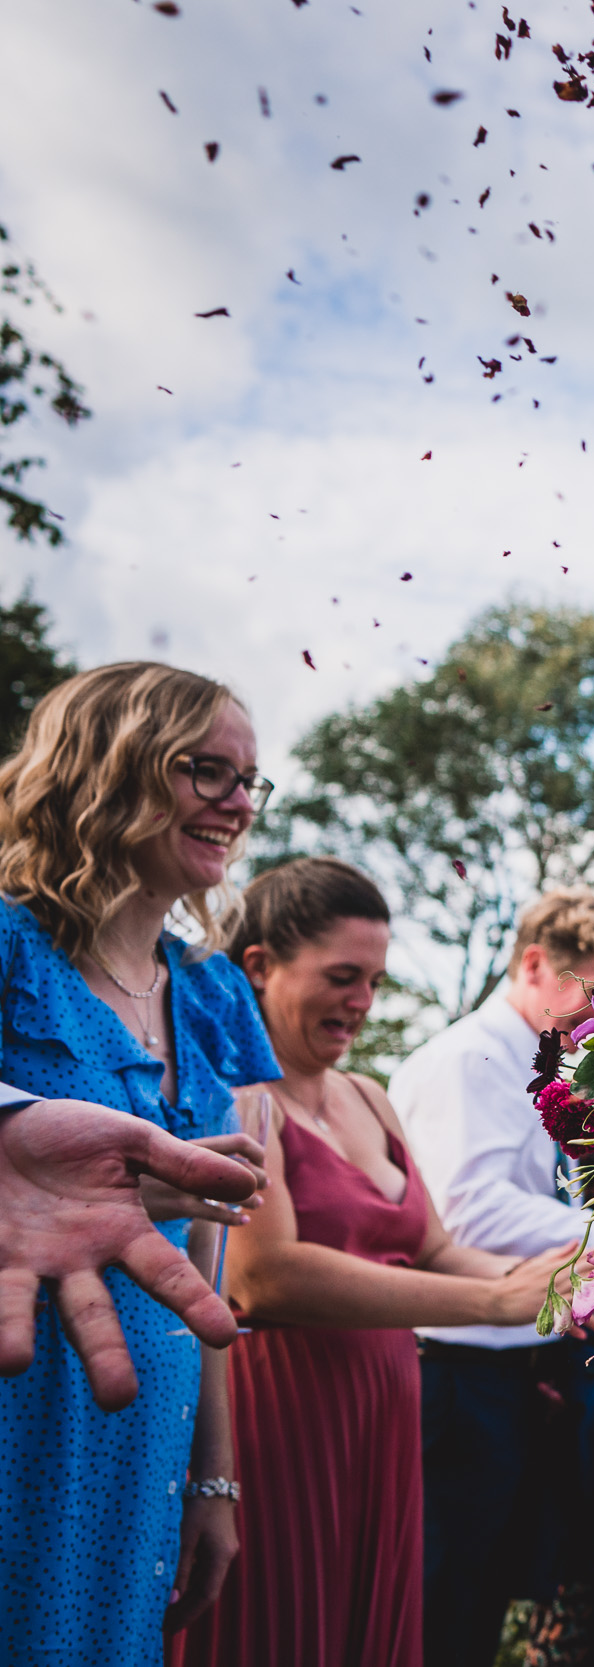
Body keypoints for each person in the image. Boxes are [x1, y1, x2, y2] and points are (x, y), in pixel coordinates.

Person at [184, 857, 578, 1667]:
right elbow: (268, 1275)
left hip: (385, 1417)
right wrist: (499, 1303)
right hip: (286, 1416)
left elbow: (433, 1243)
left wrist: (566, 1279)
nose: (361, 1002)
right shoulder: (237, 1097)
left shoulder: (367, 1095)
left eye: (373, 980)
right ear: (260, 966)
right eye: (340, 977)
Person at [0, 662, 287, 1665]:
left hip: (149, 1414)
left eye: (252, 780)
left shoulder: (212, 994)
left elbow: (207, 1255)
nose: (240, 803)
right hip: (19, 1390)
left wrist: (214, 1475)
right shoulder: (6, 945)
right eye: (207, 770)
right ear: (106, 768)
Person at [391, 888, 594, 1667]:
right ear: (536, 962)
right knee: (445, 1604)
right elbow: (468, 1217)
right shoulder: (471, 1059)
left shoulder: (528, 1059)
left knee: (482, 1603)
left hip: (507, 1371)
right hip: (456, 1375)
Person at [0, 1088, 264, 1406]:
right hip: (42, 1378)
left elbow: (208, 1247)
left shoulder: (215, 1043)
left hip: (171, 1381)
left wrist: (215, 1441)